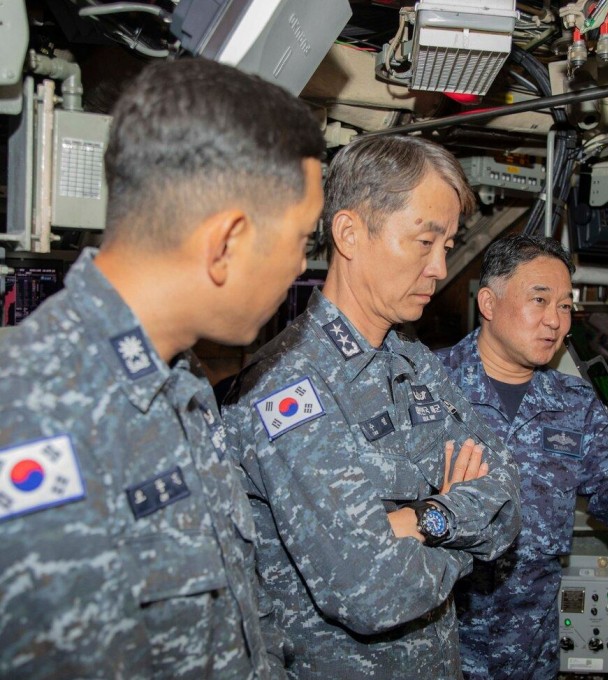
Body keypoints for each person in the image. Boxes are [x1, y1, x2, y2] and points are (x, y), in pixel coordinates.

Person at [0, 57, 325, 678]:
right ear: (225, 243)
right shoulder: (30, 417)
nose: (298, 269)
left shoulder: (182, 382)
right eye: (300, 240)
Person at [220, 135, 522, 680]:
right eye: (425, 242)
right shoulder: (287, 389)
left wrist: (423, 520)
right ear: (350, 233)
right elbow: (371, 589)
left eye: (448, 246)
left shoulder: (413, 364)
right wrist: (454, 520)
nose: (439, 268)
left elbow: (506, 502)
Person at [436, 233, 608, 680]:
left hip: (531, 654)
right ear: (488, 302)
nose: (556, 322)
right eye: (539, 300)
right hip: (442, 648)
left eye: (564, 306)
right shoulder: (428, 387)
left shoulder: (572, 401)